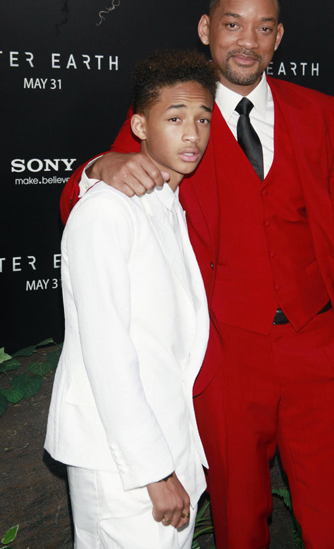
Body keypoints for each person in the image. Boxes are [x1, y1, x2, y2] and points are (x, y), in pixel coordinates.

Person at [60, 0, 334, 549]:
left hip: (320, 348)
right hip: (226, 357)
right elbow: (82, 199)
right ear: (207, 29)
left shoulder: (319, 112)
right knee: (237, 523)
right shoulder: (175, 110)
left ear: (278, 38)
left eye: (263, 28)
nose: (246, 42)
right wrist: (96, 167)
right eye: (233, 25)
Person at [45, 49, 217, 549]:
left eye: (203, 119)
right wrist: (154, 470)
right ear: (139, 126)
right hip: (122, 464)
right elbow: (107, 355)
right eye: (176, 118)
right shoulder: (106, 214)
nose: (192, 134)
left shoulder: (166, 204)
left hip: (167, 444)